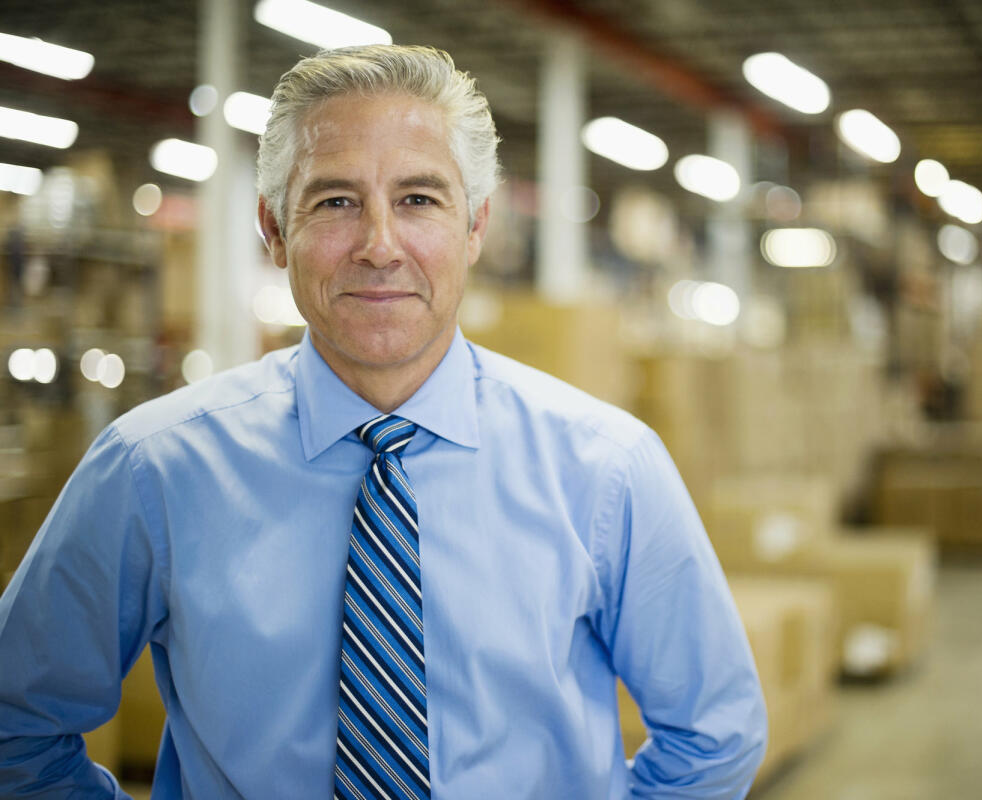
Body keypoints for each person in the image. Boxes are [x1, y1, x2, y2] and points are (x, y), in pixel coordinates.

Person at [0, 45, 766, 798]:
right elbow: (16, 725)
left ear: (475, 227)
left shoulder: (606, 468)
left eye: (418, 200)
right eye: (335, 201)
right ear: (272, 229)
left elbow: (714, 732)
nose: (378, 246)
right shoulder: (152, 469)